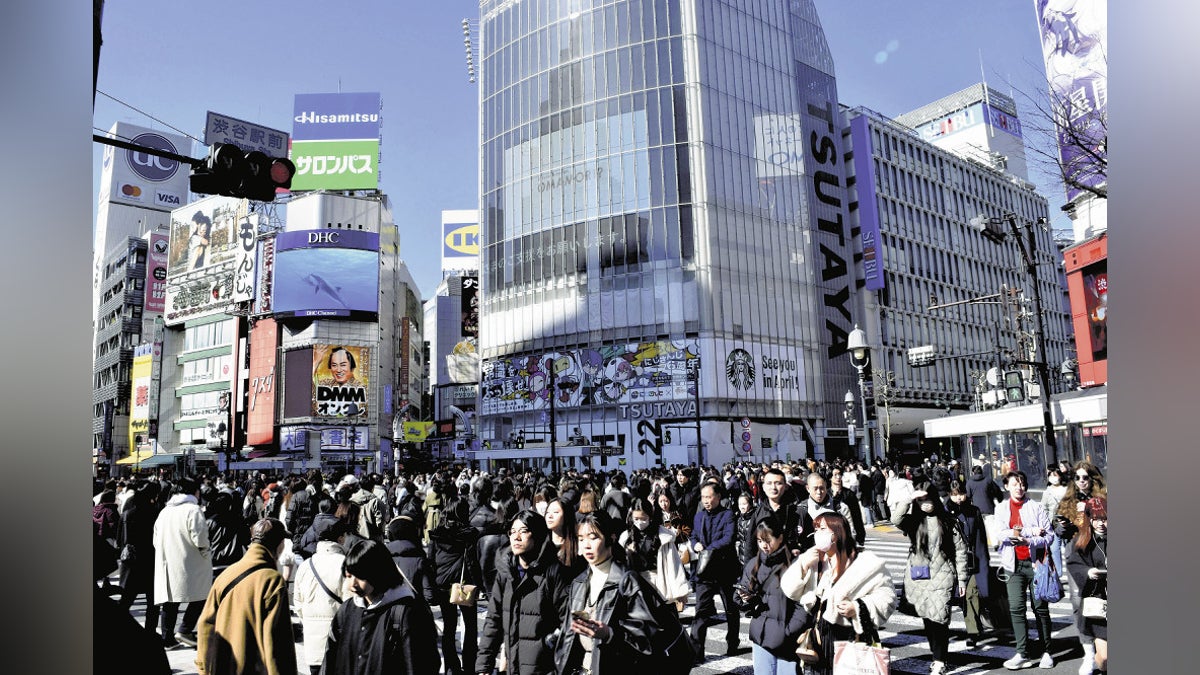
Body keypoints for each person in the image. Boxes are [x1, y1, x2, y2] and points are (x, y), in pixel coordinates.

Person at [552, 512, 683, 675]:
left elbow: (653, 634)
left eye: (593, 537)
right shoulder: (578, 583)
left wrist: (610, 634)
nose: (586, 545)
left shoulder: (627, 581)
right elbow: (568, 638)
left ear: (611, 538)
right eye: (581, 538)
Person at [779, 511, 896, 674]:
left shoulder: (864, 562)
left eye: (822, 530)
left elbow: (888, 597)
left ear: (838, 533)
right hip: (818, 639)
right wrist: (803, 565)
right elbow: (789, 590)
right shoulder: (815, 559)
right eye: (816, 529)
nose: (817, 534)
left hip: (850, 637)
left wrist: (857, 607)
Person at [321, 539, 441, 675]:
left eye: (360, 576)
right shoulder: (347, 609)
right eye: (348, 576)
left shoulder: (407, 612)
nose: (352, 583)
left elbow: (422, 666)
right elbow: (330, 659)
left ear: (377, 573)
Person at [194, 518, 297, 675]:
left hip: (223, 667)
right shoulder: (272, 580)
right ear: (280, 544)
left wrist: (205, 668)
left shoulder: (226, 574)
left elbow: (205, 624)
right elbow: (278, 643)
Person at [475, 509, 572, 675]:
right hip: (513, 665)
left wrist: (548, 645)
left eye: (523, 531)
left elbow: (568, 623)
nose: (516, 537)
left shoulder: (553, 572)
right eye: (512, 532)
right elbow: (494, 620)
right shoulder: (505, 572)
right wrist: (484, 666)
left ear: (538, 534)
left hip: (544, 668)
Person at [898, 484, 969, 675]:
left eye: (928, 499)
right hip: (919, 578)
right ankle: (936, 655)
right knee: (928, 620)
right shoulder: (913, 522)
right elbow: (895, 518)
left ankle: (939, 660)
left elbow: (961, 551)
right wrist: (909, 497)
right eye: (921, 501)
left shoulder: (948, 521)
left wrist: (962, 580)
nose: (925, 504)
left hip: (943, 575)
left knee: (940, 619)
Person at [996, 471, 1055, 670]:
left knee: (1040, 607)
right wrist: (1029, 531)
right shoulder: (1002, 509)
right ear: (1007, 486)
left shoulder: (1036, 506)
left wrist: (1028, 539)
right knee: (1016, 608)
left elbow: (1049, 536)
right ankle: (1022, 652)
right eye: (1014, 484)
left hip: (1036, 564)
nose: (1019, 487)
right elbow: (1001, 534)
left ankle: (1047, 650)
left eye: (1021, 484)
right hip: (1013, 566)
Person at [737, 515, 808, 675]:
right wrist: (745, 598)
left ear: (780, 537)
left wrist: (789, 631)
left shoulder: (794, 564)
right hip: (761, 636)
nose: (764, 546)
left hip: (787, 639)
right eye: (760, 541)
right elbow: (741, 599)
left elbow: (804, 604)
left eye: (768, 540)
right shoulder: (753, 565)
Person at [1054, 462, 1107, 673]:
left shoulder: (1104, 498)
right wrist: (1063, 525)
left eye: (1085, 477)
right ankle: (1089, 653)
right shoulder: (1069, 500)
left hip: (1101, 553)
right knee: (1079, 602)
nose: (1081, 481)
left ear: (1093, 478)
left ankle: (1105, 646)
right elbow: (1058, 532)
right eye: (1077, 477)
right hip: (1077, 555)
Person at [152, 476, 213, 649]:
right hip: (192, 561)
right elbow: (200, 539)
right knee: (202, 595)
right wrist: (206, 553)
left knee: (170, 600)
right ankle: (185, 629)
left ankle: (167, 637)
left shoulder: (165, 511)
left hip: (167, 561)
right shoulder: (193, 510)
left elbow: (155, 538)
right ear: (195, 491)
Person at [429, 497, 483, 675]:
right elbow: (472, 562)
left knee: (449, 626)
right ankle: (469, 665)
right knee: (470, 626)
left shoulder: (436, 534)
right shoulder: (469, 534)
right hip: (464, 584)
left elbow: (431, 561)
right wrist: (479, 585)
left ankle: (451, 666)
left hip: (443, 585)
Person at [689, 481, 742, 660]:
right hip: (705, 573)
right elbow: (694, 535)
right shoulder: (699, 516)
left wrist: (708, 549)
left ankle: (733, 642)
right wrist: (694, 543)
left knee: (730, 610)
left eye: (709, 497)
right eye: (703, 497)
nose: (706, 500)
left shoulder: (728, 515)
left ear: (718, 497)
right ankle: (696, 652)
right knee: (700, 612)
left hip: (725, 570)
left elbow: (728, 538)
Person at [292, 520, 351, 675]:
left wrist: (309, 622)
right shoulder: (345, 564)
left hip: (313, 643)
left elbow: (298, 604)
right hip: (339, 642)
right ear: (340, 539)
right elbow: (351, 604)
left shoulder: (306, 565)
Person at [618, 498, 690, 612]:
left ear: (650, 517)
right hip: (636, 585)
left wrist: (680, 591)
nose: (639, 522)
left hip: (659, 582)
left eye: (643, 519)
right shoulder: (626, 537)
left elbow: (674, 564)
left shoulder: (663, 536)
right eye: (636, 519)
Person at [1066, 497, 1108, 675]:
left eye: (1105, 518)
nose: (1100, 523)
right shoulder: (1083, 540)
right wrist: (1087, 572)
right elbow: (1074, 563)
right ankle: (1091, 657)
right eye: (1096, 518)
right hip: (1098, 601)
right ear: (1089, 519)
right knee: (1104, 661)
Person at [947, 481, 992, 646]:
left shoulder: (974, 511)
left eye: (960, 494)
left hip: (973, 560)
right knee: (961, 597)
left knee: (970, 593)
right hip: (954, 562)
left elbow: (980, 538)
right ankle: (974, 625)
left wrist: (985, 562)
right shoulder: (946, 513)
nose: (958, 498)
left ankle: (972, 631)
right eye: (954, 494)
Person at [119, 480, 164, 635]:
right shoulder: (157, 513)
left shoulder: (127, 514)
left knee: (126, 600)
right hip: (152, 561)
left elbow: (120, 540)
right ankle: (149, 632)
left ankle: (118, 629)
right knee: (153, 602)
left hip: (131, 563)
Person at [796, 472, 858, 551]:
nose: (819, 492)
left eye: (822, 488)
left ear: (826, 487)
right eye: (815, 488)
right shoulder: (801, 510)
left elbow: (850, 534)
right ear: (808, 488)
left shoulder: (840, 508)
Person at [385, 516, 436, 606]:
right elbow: (430, 595)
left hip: (389, 611)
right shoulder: (420, 559)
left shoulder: (382, 558)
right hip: (414, 611)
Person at [545, 497, 586, 580]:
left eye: (555, 512)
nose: (550, 516)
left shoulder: (578, 546)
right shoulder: (541, 544)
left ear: (567, 515)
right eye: (547, 512)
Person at [1040, 468, 1069, 576]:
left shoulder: (1067, 490)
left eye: (1056, 475)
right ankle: (1059, 574)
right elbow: (1044, 508)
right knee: (1054, 549)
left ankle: (1072, 570)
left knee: (1069, 549)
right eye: (1051, 476)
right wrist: (1047, 523)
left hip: (1067, 524)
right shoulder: (1047, 492)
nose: (1054, 478)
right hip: (1053, 525)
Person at [828, 468, 867, 548]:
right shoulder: (826, 494)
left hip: (848, 533)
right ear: (830, 477)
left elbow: (857, 516)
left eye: (839, 474)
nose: (838, 477)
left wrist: (860, 537)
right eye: (835, 475)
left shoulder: (849, 494)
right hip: (830, 535)